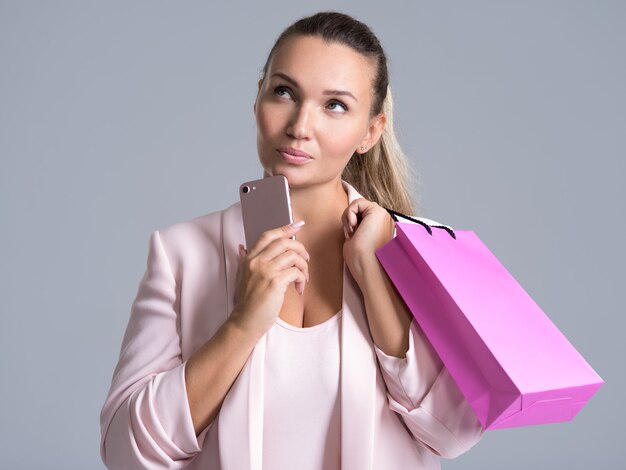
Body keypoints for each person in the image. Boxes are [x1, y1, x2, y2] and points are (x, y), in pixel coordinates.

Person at [100, 10, 485, 470]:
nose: (300, 125)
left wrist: (375, 277)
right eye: (284, 92)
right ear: (257, 98)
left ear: (371, 131)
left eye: (335, 105)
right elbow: (125, 452)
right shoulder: (180, 252)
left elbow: (453, 432)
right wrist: (242, 325)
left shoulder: (417, 248)